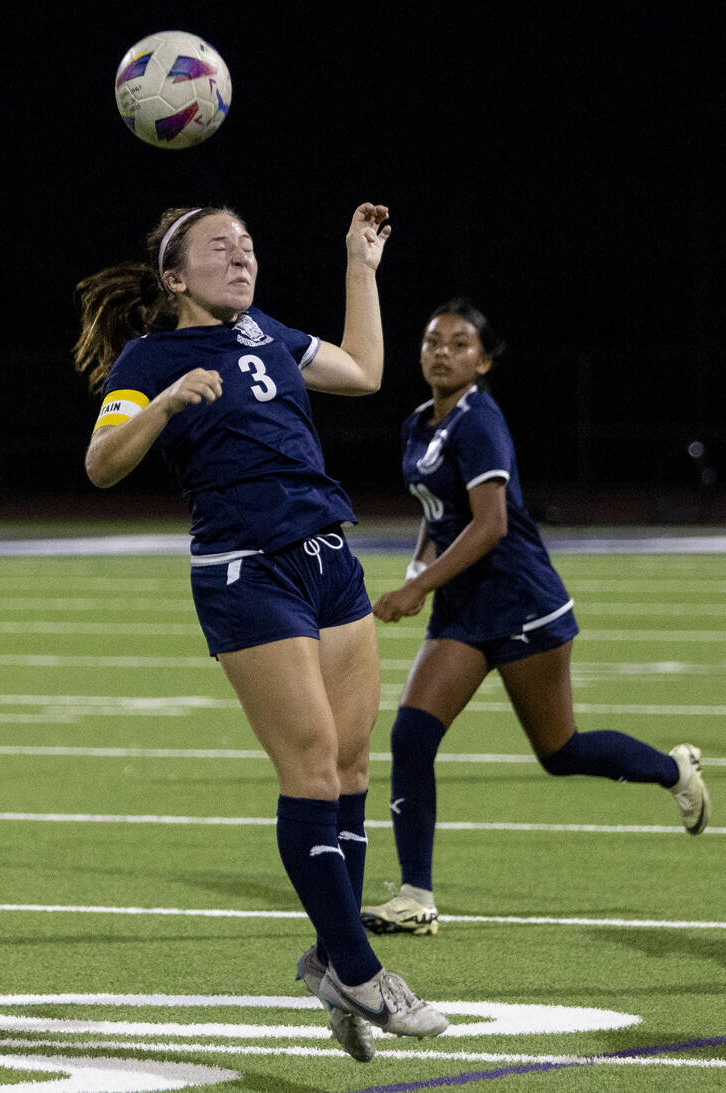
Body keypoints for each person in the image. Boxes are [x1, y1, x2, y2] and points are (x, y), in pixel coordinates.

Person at [73, 202, 448, 1062]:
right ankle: (357, 967)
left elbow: (360, 370)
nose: (241, 256)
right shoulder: (149, 358)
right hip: (248, 570)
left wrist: (360, 264)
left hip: (330, 556)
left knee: (351, 766)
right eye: (219, 247)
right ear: (175, 278)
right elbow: (100, 464)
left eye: (247, 244)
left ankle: (329, 956)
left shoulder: (265, 331)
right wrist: (163, 404)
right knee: (311, 768)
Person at [362, 299, 711, 936]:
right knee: (411, 737)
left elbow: (490, 525)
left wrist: (417, 592)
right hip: (465, 610)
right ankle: (416, 896)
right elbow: (438, 517)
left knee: (560, 751)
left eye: (460, 344)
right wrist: (418, 573)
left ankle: (673, 770)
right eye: (433, 341)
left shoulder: (479, 422)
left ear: (483, 361)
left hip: (524, 604)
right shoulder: (418, 423)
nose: (442, 351)